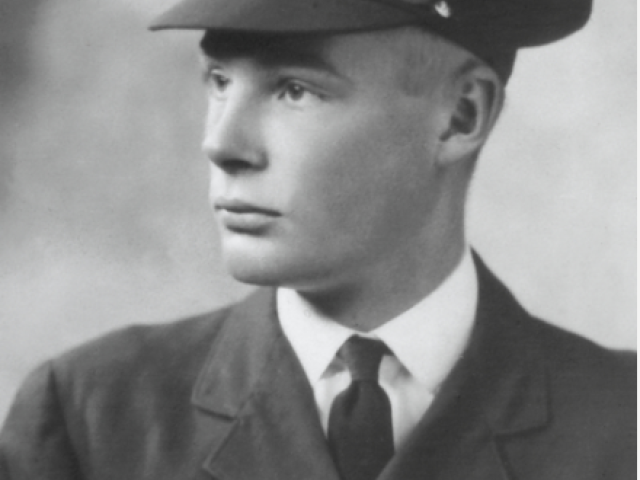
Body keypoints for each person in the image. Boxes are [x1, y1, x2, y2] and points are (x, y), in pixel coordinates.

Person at [0, 0, 635, 478]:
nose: (221, 144)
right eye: (220, 80)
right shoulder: (91, 417)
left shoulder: (622, 424)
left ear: (459, 115)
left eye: (294, 89)